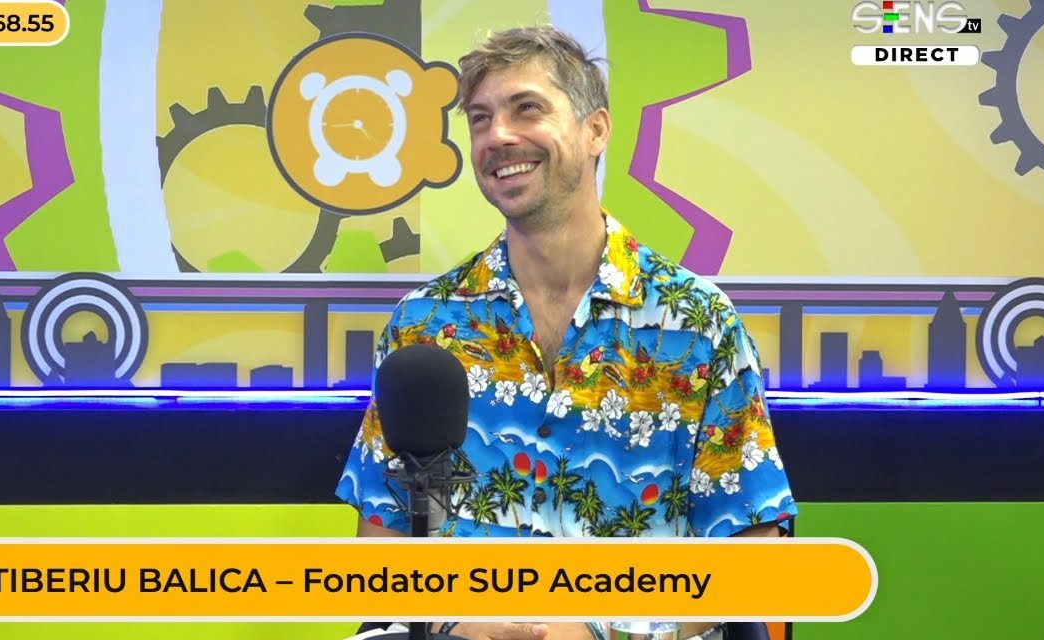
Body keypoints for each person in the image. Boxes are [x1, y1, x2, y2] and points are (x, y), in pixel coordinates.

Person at [336, 25, 797, 640]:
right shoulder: (426, 326)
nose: (498, 136)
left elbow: (751, 553)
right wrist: (457, 622)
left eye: (526, 108)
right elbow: (385, 542)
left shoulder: (696, 322)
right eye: (480, 119)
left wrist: (602, 630)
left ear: (596, 130)